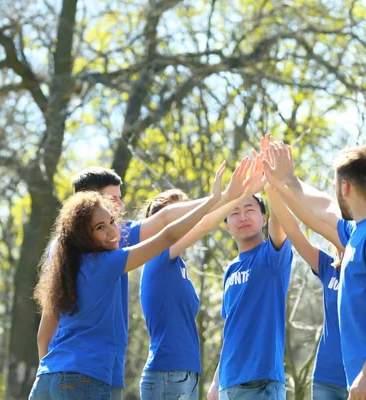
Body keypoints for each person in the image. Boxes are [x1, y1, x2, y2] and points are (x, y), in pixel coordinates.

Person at [29, 163, 226, 399]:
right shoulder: (107, 251)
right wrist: (219, 198)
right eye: (113, 199)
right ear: (89, 203)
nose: (120, 207)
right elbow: (165, 226)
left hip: (52, 372)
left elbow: (47, 324)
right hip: (91, 374)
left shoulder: (62, 250)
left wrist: (47, 369)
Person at [263, 142, 366, 400]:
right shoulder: (360, 230)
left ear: (345, 187)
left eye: (336, 186)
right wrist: (284, 181)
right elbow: (317, 214)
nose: (335, 192)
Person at [139, 158, 267, 399]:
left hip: (185, 375)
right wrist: (234, 196)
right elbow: (204, 223)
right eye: (183, 214)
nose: (191, 218)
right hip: (167, 376)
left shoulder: (178, 265)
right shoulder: (158, 255)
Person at [207, 147, 293, 400]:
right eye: (234, 212)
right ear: (226, 226)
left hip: (261, 382)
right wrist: (215, 382)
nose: (242, 216)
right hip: (229, 384)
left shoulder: (271, 257)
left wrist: (272, 182)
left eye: (250, 209)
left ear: (264, 219)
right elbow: (230, 330)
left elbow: (280, 223)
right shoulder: (230, 269)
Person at [265, 182, 348, 400]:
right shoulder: (328, 267)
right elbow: (292, 230)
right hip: (326, 379)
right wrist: (273, 187)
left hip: (362, 377)